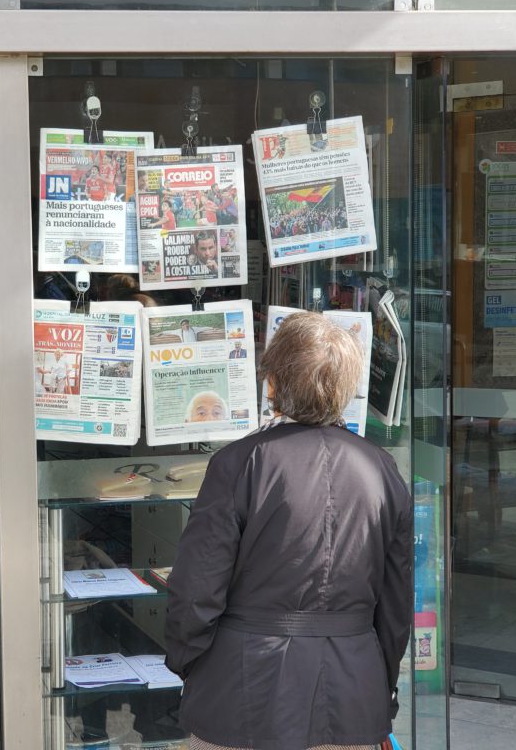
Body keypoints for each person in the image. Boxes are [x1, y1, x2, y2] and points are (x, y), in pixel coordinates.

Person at [165, 312, 412, 750]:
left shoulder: (239, 464)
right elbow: (394, 610)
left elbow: (195, 592)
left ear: (272, 384)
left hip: (242, 689)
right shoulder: (382, 469)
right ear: (345, 389)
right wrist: (380, 683)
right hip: (352, 690)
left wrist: (190, 664)